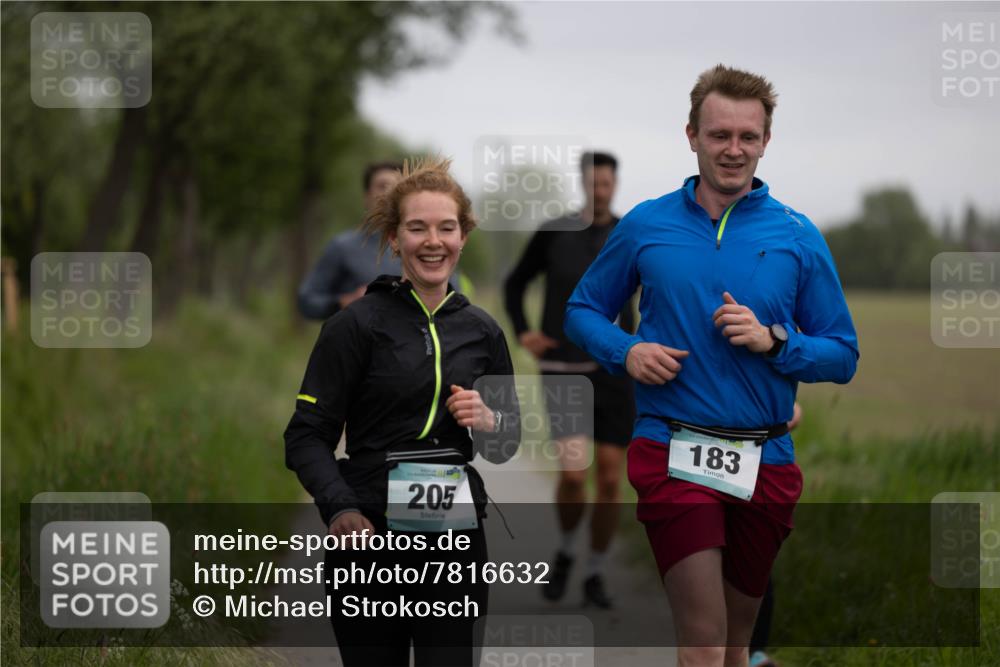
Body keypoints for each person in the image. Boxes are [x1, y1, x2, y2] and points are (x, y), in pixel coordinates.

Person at [564, 65, 858, 667]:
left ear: (766, 141)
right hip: (673, 450)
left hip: (765, 459)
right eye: (720, 134)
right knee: (701, 643)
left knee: (734, 648)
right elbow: (583, 309)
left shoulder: (798, 236)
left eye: (747, 136)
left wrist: (777, 342)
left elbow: (843, 353)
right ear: (692, 134)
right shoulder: (646, 224)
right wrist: (628, 351)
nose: (733, 149)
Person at [284, 157, 520, 666]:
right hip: (368, 534)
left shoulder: (483, 332)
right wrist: (341, 509)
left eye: (446, 228)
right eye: (417, 228)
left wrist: (491, 420)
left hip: (453, 539)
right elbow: (305, 436)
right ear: (394, 239)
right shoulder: (354, 326)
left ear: (464, 238)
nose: (433, 241)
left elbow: (506, 445)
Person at [503, 151, 635, 609]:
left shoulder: (630, 233)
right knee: (576, 476)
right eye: (593, 182)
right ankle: (564, 554)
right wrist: (525, 331)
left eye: (607, 184)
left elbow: (659, 291)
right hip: (563, 369)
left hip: (618, 369)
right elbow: (515, 283)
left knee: (612, 479)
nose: (600, 190)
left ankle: (596, 572)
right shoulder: (555, 232)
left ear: (615, 185)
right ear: (582, 182)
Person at [297, 161, 404, 320]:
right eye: (382, 186)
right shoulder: (342, 247)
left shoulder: (422, 247)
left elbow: (452, 299)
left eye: (396, 188)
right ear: (366, 196)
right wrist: (345, 302)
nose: (389, 194)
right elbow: (306, 301)